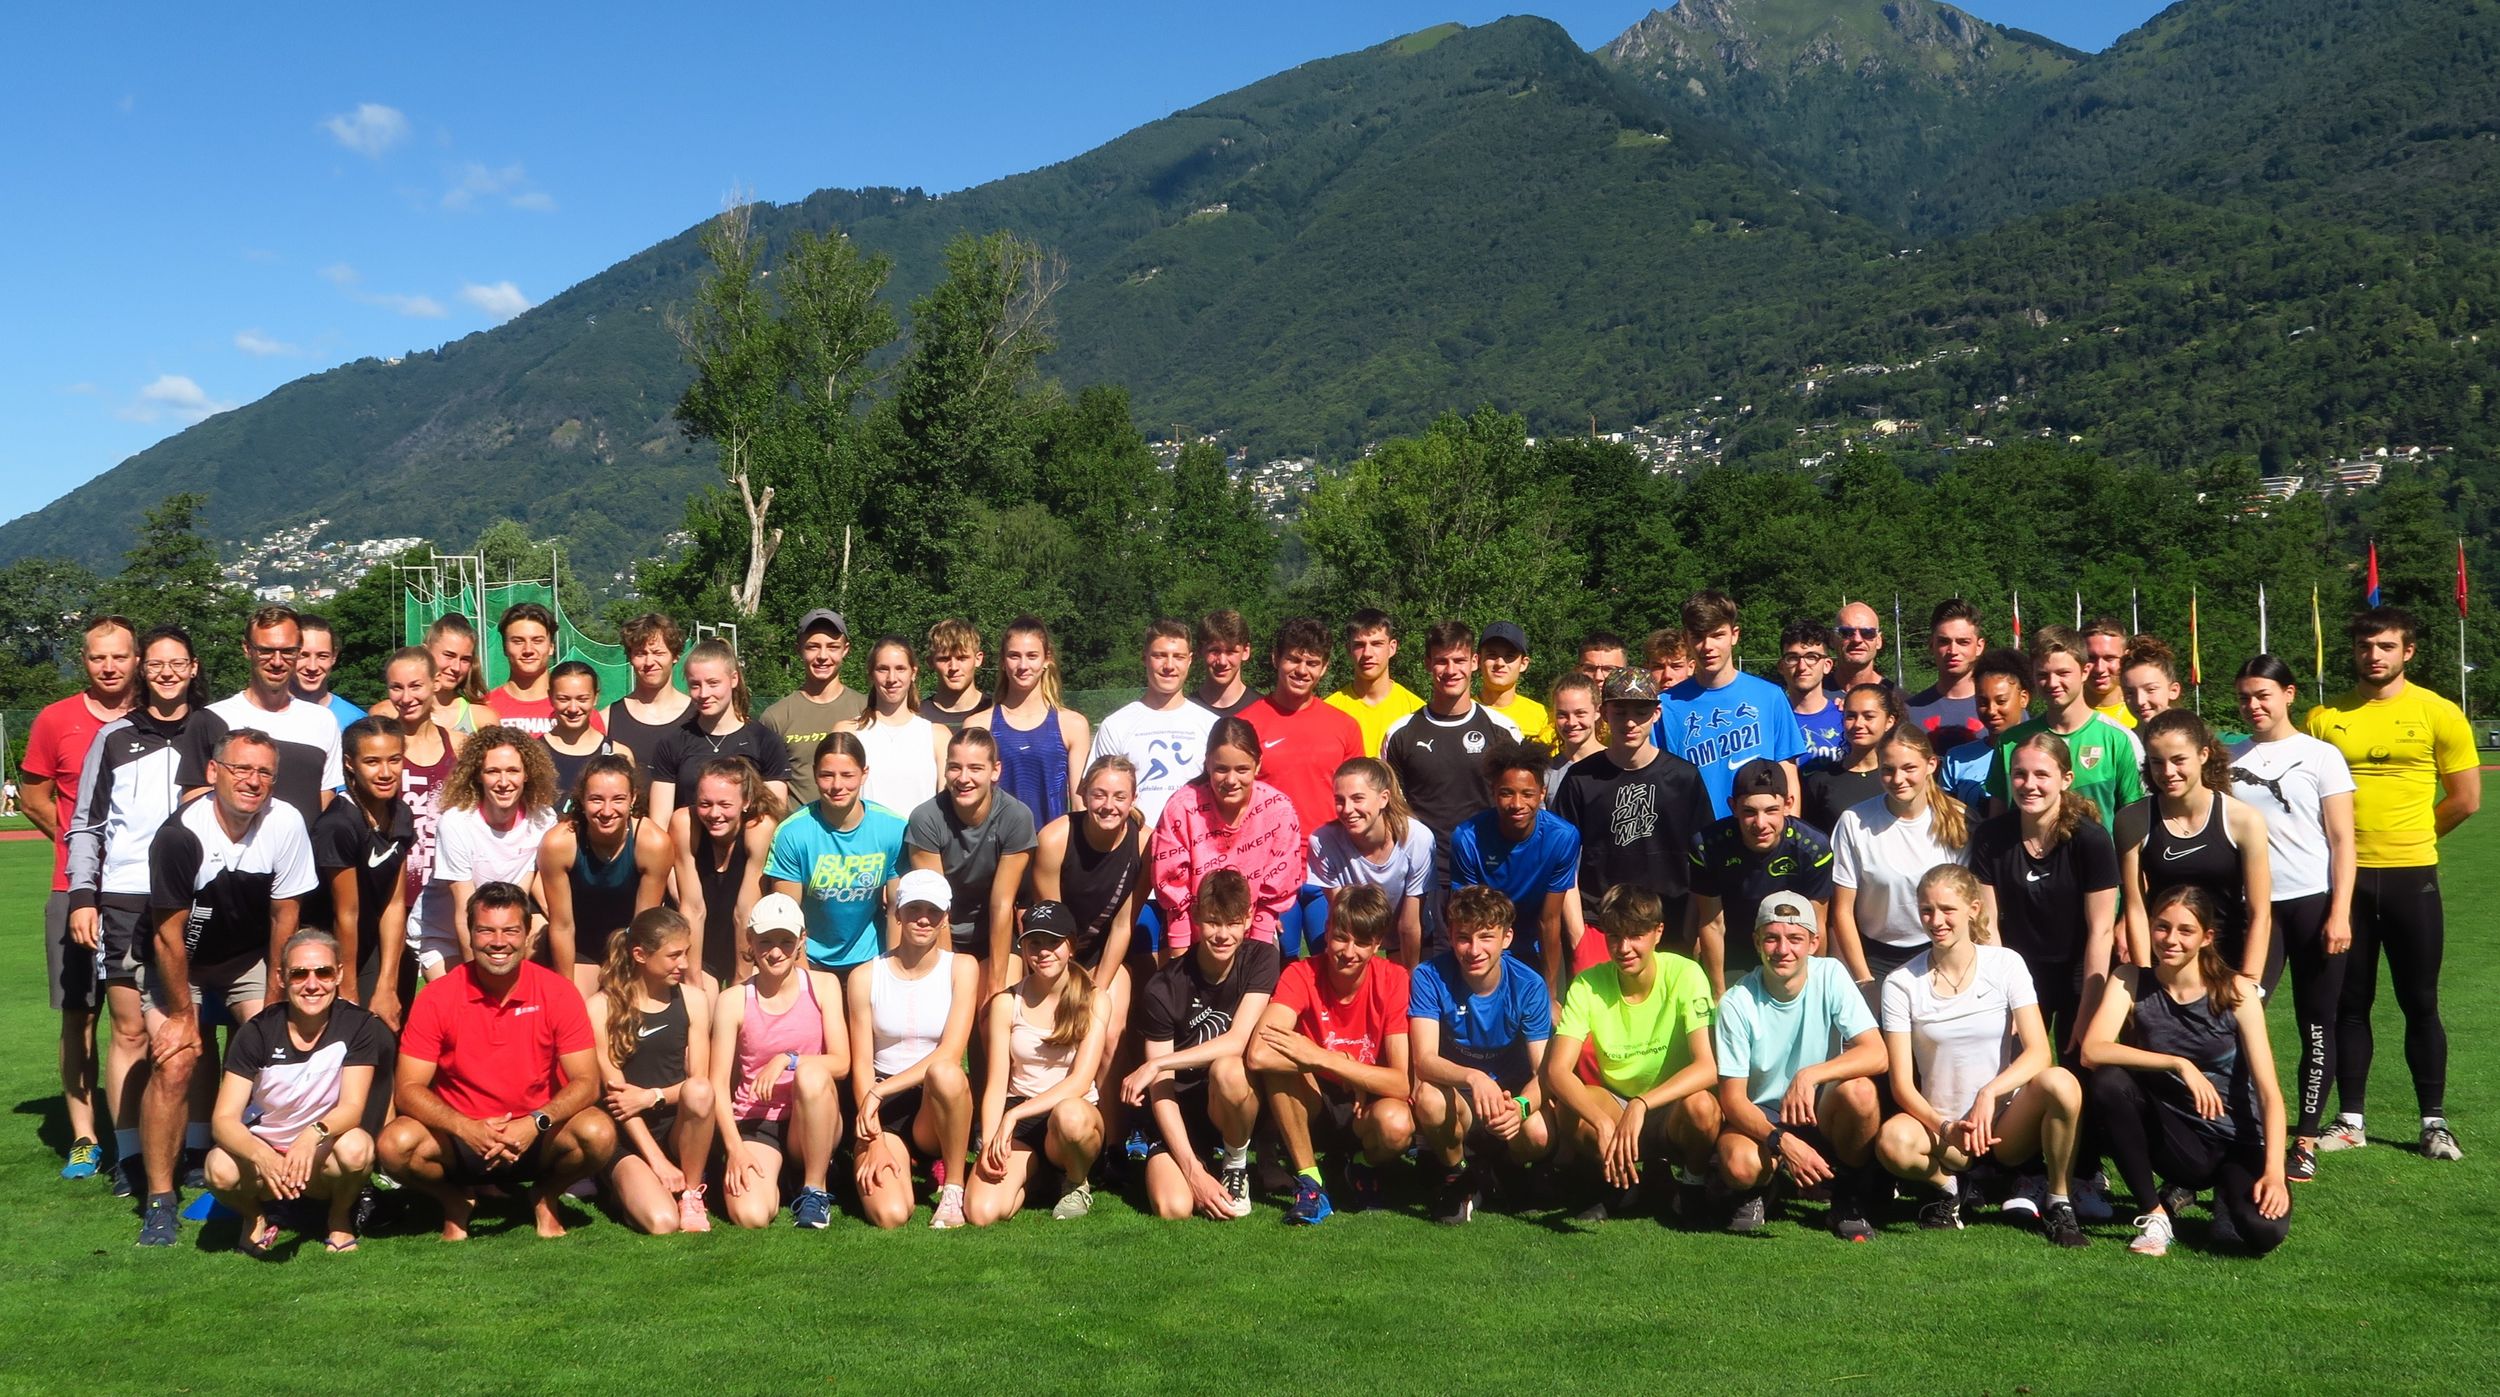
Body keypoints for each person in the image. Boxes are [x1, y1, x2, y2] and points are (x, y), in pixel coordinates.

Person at [2304, 605, 2479, 1161]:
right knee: (2350, 1004)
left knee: (2420, 1002)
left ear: (2408, 652)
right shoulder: (2324, 717)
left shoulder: (2439, 712)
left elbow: (2466, 799)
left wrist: (2412, 838)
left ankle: (2434, 1122)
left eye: (2385, 646)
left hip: (2412, 877)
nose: (2373, 656)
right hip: (2344, 883)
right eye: (2364, 646)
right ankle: (2350, 1120)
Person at [134, 728, 317, 1247]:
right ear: (214, 772)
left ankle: (271, 1183)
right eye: (241, 769)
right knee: (176, 1060)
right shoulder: (180, 835)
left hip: (245, 959)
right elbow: (169, 938)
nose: (253, 781)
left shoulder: (286, 822)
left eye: (264, 773)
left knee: (278, 1052)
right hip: (179, 960)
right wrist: (182, 1017)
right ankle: (160, 1200)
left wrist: (276, 1008)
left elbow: (285, 918)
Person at [65, 624, 226, 1198]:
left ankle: (198, 1148)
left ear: (193, 667)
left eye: (176, 662)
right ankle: (129, 1154)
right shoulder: (113, 737)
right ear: (142, 669)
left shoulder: (215, 729)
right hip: (126, 898)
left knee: (197, 1027)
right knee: (130, 1030)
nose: (166, 673)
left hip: (197, 896)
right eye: (155, 663)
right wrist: (83, 896)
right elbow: (86, 824)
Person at [379, 882, 617, 1240]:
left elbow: (587, 1083)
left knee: (599, 1133)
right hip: (460, 1140)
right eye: (486, 930)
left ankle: (546, 1196)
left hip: (537, 1136)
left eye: (510, 931)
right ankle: (454, 1200)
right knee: (394, 1145)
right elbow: (408, 1089)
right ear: (470, 934)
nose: (498, 942)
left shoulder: (557, 992)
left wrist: (533, 1123)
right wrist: (465, 1128)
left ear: (527, 934)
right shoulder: (438, 996)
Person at [1875, 867, 2090, 1247]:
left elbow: (2040, 1052)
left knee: (2062, 1082)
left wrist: (1989, 1093)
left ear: (1973, 909)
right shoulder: (1900, 983)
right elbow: (1902, 1085)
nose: (1936, 921)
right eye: (1927, 910)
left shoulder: (2006, 964)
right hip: (1944, 1131)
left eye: (1947, 909)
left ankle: (2059, 1201)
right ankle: (1948, 1188)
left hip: (2005, 1126)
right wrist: (1945, 1127)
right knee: (1892, 1142)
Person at [2081, 886, 2291, 1257]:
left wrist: (2274, 1171)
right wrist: (2179, 1063)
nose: (2170, 939)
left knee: (2263, 1233)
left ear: (2206, 937)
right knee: (2108, 1083)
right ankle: (2154, 1214)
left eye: (2185, 930)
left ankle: (2227, 1198)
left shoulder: (2237, 991)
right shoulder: (2130, 979)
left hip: (2238, 1140)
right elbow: (2092, 1050)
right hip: (2180, 1141)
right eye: (2162, 927)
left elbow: (2269, 1093)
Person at [2231, 655, 2357, 1181]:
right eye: (2244, 697)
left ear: (2289, 694)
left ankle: (2303, 1138)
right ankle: (2242, 1129)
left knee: (2316, 1023)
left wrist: (2340, 911)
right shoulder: (2228, 757)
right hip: (2254, 911)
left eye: (2263, 695)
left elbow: (2343, 840)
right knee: (2240, 1016)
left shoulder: (2321, 755)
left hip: (2312, 903)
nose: (2253, 705)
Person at [22, 613, 136, 1180]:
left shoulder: (157, 716)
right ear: (84, 660)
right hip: (72, 892)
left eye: (119, 656)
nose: (109, 666)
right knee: (78, 1015)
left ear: (136, 659)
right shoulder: (55, 719)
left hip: (140, 891)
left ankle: (137, 1130)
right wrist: (77, 847)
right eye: (98, 656)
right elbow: (33, 797)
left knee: (141, 1018)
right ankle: (86, 1137)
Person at [1544, 884, 1722, 1223]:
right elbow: (1557, 1071)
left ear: (1658, 933)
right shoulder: (1587, 984)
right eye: (1614, 936)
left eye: (1636, 935)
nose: (1624, 948)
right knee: (1570, 1107)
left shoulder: (1686, 973)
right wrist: (1601, 1121)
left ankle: (1692, 1184)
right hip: (1616, 1103)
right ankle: (1618, 1183)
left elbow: (1707, 1067)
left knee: (1703, 1107)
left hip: (1670, 1106)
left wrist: (1642, 1104)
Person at [1712, 892, 1886, 1239]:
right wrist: (1783, 1142)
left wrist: (1810, 1075)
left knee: (1862, 1092)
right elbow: (1732, 1100)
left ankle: (1846, 1193)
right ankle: (1763, 1187)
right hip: (1765, 1115)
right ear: (1756, 942)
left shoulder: (1831, 974)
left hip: (1819, 1106)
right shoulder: (1736, 1001)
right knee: (1740, 1166)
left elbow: (1877, 1054)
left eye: (1795, 938)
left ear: (1813, 943)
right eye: (1771, 938)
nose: (1783, 949)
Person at [204, 929, 387, 1255]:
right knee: (218, 1169)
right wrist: (263, 1156)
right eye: (299, 974)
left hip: (318, 1153)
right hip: (264, 1154)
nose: (312, 984)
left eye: (323, 972)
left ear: (339, 974)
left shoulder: (359, 1026)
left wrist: (311, 1135)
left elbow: (352, 1107)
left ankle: (338, 1218)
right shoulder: (256, 1032)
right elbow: (223, 1120)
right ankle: (254, 1216)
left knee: (358, 1148)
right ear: (281, 978)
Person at [1247, 886, 1414, 1225]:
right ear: (1326, 931)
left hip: (1364, 1105)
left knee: (1397, 1124)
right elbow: (1258, 1054)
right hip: (1313, 1099)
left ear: (1377, 944)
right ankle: (1310, 1183)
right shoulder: (1300, 974)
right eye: (1341, 938)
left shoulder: (1394, 979)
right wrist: (1331, 1064)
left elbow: (1401, 1083)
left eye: (1361, 943)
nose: (1348, 952)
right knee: (1277, 1067)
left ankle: (1362, 1167)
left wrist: (1327, 1059)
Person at [1123, 869, 1280, 1220]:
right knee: (1173, 1208)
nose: (1223, 934)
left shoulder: (1262, 959)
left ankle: (1235, 1165)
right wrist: (1193, 1172)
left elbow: (1236, 1041)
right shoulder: (1163, 988)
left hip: (1231, 1103)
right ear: (1195, 916)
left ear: (1248, 919)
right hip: (1182, 1111)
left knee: (1228, 1068)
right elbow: (1161, 1089)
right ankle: (1198, 1162)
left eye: (1232, 923)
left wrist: (1156, 1063)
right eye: (1212, 922)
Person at [1408, 886, 1556, 1224]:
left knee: (1539, 1132)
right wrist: (1473, 1077)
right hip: (1461, 1097)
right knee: (1428, 1098)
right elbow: (1424, 1060)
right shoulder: (1429, 976)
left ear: (1507, 938)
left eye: (1486, 937)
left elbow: (1544, 1072)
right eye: (1463, 938)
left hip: (1508, 1098)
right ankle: (1458, 1175)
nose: (1474, 950)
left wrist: (1521, 1107)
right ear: (1450, 936)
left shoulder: (1529, 985)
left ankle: (1505, 1169)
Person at [1968, 733, 2121, 1053]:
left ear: (2066, 779)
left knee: (2083, 1067)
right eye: (2020, 774)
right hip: (2019, 971)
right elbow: (1987, 924)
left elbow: (2101, 931)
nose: (2029, 784)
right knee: (2015, 1068)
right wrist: (2004, 994)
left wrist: (2088, 1011)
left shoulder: (2091, 840)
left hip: (2078, 971)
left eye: (2041, 775)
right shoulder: (1990, 837)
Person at [848, 869, 980, 1229]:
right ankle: (894, 1159)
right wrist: (874, 1137)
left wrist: (879, 1091)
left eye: (933, 911)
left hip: (932, 1103)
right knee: (890, 1214)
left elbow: (951, 1052)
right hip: (883, 1106)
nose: (923, 919)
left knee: (946, 1073)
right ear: (897, 913)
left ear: (945, 917)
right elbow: (862, 1063)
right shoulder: (864, 976)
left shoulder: (962, 968)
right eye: (914, 909)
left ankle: (953, 1187)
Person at [708, 894, 848, 1229]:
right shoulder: (732, 1000)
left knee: (811, 1074)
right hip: (758, 1121)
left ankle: (814, 1189)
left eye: (786, 941)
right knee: (751, 1216)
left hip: (812, 1115)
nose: (775, 952)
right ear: (750, 940)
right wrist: (734, 1149)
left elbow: (842, 1063)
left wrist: (788, 1059)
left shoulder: (823, 986)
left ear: (802, 940)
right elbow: (717, 1083)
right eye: (766, 941)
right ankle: (783, 1181)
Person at [967, 901, 1109, 1224]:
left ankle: (1076, 1182)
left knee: (1069, 1115)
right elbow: (996, 1084)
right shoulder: (1006, 1002)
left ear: (1070, 946)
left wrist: (1013, 1115)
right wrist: (989, 1141)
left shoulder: (1095, 999)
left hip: (1072, 1119)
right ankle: (1038, 1177)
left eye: (1053, 942)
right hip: (1021, 1119)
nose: (1043, 952)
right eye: (1034, 943)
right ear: (1024, 948)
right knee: (981, 1212)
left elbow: (1080, 1081)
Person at [2115, 710, 2273, 984]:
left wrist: (2250, 982)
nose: (2168, 772)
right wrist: (2144, 978)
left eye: (2179, 760)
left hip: (2227, 965)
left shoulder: (2244, 820)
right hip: (2164, 965)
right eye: (2157, 762)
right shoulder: (2132, 820)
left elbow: (2260, 913)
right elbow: (2136, 908)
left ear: (2203, 754)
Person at [587, 908, 718, 1235]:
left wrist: (652, 1097)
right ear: (640, 955)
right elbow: (619, 1100)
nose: (684, 964)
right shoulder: (600, 1007)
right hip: (627, 1135)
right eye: (674, 955)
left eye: (686, 953)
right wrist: (657, 1162)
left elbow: (699, 1082)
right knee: (662, 1223)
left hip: (676, 1129)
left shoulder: (694, 1000)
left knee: (701, 1092)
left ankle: (692, 1193)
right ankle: (623, 1183)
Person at [1549, 669, 1712, 925]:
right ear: (1604, 713)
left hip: (1669, 920)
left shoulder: (1684, 777)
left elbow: (1704, 860)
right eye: (1620, 712)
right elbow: (1560, 862)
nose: (1630, 723)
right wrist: (1578, 933)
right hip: (1599, 921)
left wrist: (1694, 927)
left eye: (1641, 712)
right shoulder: (1581, 777)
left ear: (1656, 713)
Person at [1830, 725, 1972, 996]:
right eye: (1888, 769)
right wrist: (1865, 981)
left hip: (1941, 953)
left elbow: (1968, 905)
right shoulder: (1854, 821)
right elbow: (1842, 911)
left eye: (1909, 768)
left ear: (1931, 765)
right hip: (1875, 959)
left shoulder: (1958, 820)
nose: (1898, 779)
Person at [1384, 621, 1522, 898]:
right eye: (1441, 661)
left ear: (1474, 662)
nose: (1450, 670)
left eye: (1459, 660)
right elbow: (1394, 810)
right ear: (1427, 664)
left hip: (1490, 870)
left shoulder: (1504, 731)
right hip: (1424, 875)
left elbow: (1519, 805)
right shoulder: (1400, 733)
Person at [303, 717, 418, 1050]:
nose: (385, 772)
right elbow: (346, 915)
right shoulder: (338, 825)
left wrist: (387, 984)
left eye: (394, 760)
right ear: (350, 764)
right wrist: (349, 992)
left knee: (387, 1042)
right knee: (350, 1044)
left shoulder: (401, 814)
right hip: (330, 947)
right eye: (372, 762)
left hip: (373, 944)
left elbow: (394, 903)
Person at [1150, 716, 1306, 957]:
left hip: (1253, 935)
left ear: (1258, 765)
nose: (1231, 780)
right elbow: (1173, 887)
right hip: (1193, 936)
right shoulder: (1181, 808)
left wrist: (1256, 957)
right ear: (1207, 764)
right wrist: (1180, 962)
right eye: (1221, 769)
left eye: (1242, 769)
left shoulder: (1278, 809)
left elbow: (1276, 888)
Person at [1648, 591, 1807, 821]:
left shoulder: (1770, 696)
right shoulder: (1665, 707)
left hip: (1759, 831)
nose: (1707, 646)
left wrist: (1791, 829)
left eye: (1717, 635)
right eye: (1698, 637)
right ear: (1686, 638)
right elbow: (1657, 782)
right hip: (1697, 835)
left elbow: (1787, 772)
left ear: (1734, 635)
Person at [906, 727, 1038, 994]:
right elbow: (936, 904)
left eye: (975, 768)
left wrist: (995, 985)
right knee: (952, 1000)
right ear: (945, 770)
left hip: (994, 931)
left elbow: (1002, 904)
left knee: (999, 1003)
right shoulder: (925, 819)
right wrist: (948, 977)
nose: (963, 778)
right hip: (940, 930)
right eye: (955, 767)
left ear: (995, 771)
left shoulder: (1016, 817)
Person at [1687, 759, 1835, 995]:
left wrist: (1812, 989)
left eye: (1771, 810)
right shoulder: (1708, 846)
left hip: (1787, 948)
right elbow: (1712, 924)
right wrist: (1718, 994)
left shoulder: (1813, 848)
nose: (1760, 823)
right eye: (1749, 812)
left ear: (1788, 804)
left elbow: (1816, 926)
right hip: (1734, 948)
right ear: (1733, 807)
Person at [765, 733, 909, 975]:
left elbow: (898, 910)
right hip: (810, 958)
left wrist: (891, 971)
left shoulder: (893, 829)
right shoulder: (792, 833)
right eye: (827, 775)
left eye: (847, 775)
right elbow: (787, 916)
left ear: (864, 774)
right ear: (814, 774)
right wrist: (806, 980)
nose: (837, 785)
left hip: (871, 958)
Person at [1447, 744, 1581, 994]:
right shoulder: (1467, 838)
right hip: (1484, 940)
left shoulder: (1562, 837)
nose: (1517, 804)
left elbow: (1549, 920)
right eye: (1506, 793)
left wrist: (1550, 993)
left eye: (1527, 794)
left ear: (1542, 793)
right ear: (1493, 793)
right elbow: (1467, 916)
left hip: (1535, 943)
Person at [427, 725, 557, 968]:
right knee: (462, 991)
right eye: (493, 772)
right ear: (478, 775)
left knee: (548, 931)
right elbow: (464, 912)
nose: (503, 782)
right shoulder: (455, 823)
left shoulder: (543, 818)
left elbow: (530, 891)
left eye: (513, 771)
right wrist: (478, 978)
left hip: (501, 925)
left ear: (527, 774)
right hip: (445, 933)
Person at [538, 755, 672, 990]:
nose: (607, 811)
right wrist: (566, 991)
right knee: (579, 1005)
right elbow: (562, 926)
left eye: (618, 799)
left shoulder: (653, 844)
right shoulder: (558, 844)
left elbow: (642, 927)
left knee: (622, 1002)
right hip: (579, 944)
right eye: (596, 799)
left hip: (629, 944)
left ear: (633, 798)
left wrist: (630, 982)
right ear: (582, 800)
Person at [1989, 626, 2142, 828]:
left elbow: (2133, 820)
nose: (2052, 683)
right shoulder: (2011, 742)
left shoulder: (2116, 739)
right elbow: (1996, 821)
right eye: (2042, 674)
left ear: (2085, 671)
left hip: (2097, 849)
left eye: (2063, 673)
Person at [209, 605, 343, 823]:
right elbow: (195, 803)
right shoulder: (214, 719)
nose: (277, 661)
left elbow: (325, 798)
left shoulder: (323, 720)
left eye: (287, 651)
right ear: (247, 649)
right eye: (266, 650)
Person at [1239, 617, 1364, 841]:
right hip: (1265, 852)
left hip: (1330, 854)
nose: (1302, 670)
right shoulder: (1244, 725)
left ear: (1324, 668)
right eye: (1293, 659)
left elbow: (1358, 797)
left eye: (1312, 663)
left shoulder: (1346, 726)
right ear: (1276, 658)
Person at [648, 638, 794, 828]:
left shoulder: (765, 741)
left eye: (713, 683)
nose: (703, 693)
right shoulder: (672, 743)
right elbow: (660, 823)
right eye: (695, 685)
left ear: (734, 679)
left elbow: (772, 820)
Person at [1300, 757, 1434, 963]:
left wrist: (1410, 974)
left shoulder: (1417, 838)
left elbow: (1409, 925)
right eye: (1340, 800)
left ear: (1384, 798)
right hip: (1356, 932)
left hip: (1409, 937)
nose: (1347, 809)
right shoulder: (1323, 842)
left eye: (1357, 798)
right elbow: (1343, 916)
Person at [380, 647, 460, 980]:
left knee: (453, 996)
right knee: (391, 997)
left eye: (415, 686)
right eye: (396, 687)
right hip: (391, 896)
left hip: (444, 897)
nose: (406, 697)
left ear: (435, 683)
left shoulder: (460, 745)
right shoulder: (381, 748)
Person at [1094, 619, 1220, 828]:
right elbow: (1096, 794)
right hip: (1136, 844)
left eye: (1178, 657)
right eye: (1159, 656)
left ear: (1189, 660)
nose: (1169, 666)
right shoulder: (1116, 725)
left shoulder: (1212, 725)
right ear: (1144, 658)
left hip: (1196, 842)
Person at [971, 615, 1090, 825]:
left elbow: (1080, 807)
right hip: (997, 842)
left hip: (1053, 842)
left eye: (1032, 656)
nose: (1023, 665)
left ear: (1047, 659)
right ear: (1002, 661)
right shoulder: (979, 725)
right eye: (1014, 656)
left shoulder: (1072, 725)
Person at [672, 758, 779, 988]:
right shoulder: (684, 823)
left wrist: (741, 980)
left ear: (746, 802)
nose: (714, 813)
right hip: (699, 941)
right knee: (700, 997)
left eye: (725, 804)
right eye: (705, 803)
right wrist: (693, 980)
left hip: (746, 942)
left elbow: (745, 912)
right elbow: (692, 908)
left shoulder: (759, 828)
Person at [759, 609, 866, 777]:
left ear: (845, 650)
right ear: (799, 649)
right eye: (813, 647)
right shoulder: (776, 718)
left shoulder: (867, 710)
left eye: (832, 647)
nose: (822, 656)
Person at [850, 635, 947, 816]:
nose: (891, 678)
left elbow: (946, 808)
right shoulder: (850, 732)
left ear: (913, 673)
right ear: (871, 674)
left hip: (920, 834)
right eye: (883, 669)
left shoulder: (938, 736)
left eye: (900, 668)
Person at [1798, 682, 1902, 836]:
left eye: (1869, 717)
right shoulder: (1820, 780)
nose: (1858, 724)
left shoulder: (1901, 778)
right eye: (1851, 716)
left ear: (1889, 721)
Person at [1940, 647, 2034, 811]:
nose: (1991, 710)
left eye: (2001, 701)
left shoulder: (2042, 753)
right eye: (1983, 702)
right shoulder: (1957, 759)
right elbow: (1946, 816)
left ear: (2023, 698)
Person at [605, 612, 691, 787]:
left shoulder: (699, 716)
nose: (649, 661)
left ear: (675, 656)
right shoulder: (606, 719)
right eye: (640, 653)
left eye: (658, 652)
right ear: (630, 658)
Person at [1325, 609, 1424, 758]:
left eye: (1377, 644)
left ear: (1392, 648)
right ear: (1348, 650)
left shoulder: (1416, 712)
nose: (1367, 653)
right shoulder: (1330, 710)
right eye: (1359, 645)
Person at [1905, 598, 1989, 757]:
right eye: (1944, 642)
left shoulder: (2002, 710)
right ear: (1931, 645)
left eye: (1963, 642)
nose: (1953, 651)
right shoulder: (1910, 712)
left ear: (1979, 646)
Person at [541, 660, 627, 807]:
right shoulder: (535, 754)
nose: (573, 708)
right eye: (563, 699)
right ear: (550, 697)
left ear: (595, 697)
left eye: (582, 699)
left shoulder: (617, 753)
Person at [407, 614, 499, 738]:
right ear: (426, 652)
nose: (456, 668)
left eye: (465, 659)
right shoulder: (394, 713)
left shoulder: (483, 719)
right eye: (449, 655)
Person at [482, 602, 566, 737]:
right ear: (504, 647)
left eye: (537, 641)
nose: (528, 650)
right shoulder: (484, 707)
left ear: (551, 647)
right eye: (518, 641)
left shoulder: (575, 709)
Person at [1476, 620, 1554, 748]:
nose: (1500, 663)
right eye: (1492, 655)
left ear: (1523, 664)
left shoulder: (1544, 717)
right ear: (1478, 660)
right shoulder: (1462, 712)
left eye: (1509, 656)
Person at [1780, 619, 1845, 766]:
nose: (1802, 667)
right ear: (1781, 666)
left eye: (1811, 657)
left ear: (1827, 665)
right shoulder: (1771, 721)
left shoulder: (1847, 718)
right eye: (1793, 658)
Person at [291, 614, 366, 731]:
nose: (312, 667)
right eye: (303, 655)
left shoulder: (357, 722)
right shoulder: (265, 715)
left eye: (322, 656)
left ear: (334, 657)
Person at [918, 617, 994, 730]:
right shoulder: (917, 717)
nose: (953, 667)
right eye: (944, 659)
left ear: (978, 659)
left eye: (962, 658)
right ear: (930, 662)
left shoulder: (997, 713)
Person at [1190, 609, 1263, 717]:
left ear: (1246, 651)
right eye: (1214, 651)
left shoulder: (1263, 711)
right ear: (1200, 650)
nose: (1222, 662)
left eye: (1231, 651)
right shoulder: (1186, 712)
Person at [1544, 673, 1603, 801]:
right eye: (1562, 715)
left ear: (1598, 712)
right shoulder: (1547, 773)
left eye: (1580, 713)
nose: (1571, 722)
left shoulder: (1616, 765)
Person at [1826, 601, 1893, 696]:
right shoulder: (1810, 695)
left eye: (1867, 633)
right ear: (1832, 639)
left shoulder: (1897, 700)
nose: (1857, 639)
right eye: (1846, 632)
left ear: (1879, 641)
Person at [2082, 616, 2137, 729]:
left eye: (2109, 658)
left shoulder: (2142, 710)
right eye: (2091, 658)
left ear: (2125, 658)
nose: (2099, 669)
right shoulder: (2063, 712)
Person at [2120, 636, 2183, 726]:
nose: (2140, 701)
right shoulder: (2122, 734)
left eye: (2150, 689)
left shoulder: (2192, 733)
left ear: (2173, 691)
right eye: (2130, 693)